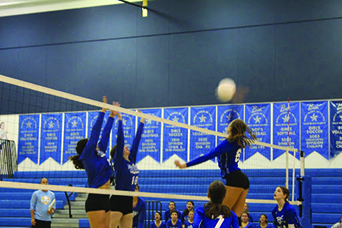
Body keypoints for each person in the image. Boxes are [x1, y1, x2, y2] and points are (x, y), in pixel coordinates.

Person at [175, 119, 256, 223]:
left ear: (231, 128)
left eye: (230, 125)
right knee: (236, 217)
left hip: (234, 179)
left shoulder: (228, 143)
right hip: (242, 180)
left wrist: (185, 165)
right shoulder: (237, 141)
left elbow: (208, 156)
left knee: (220, 214)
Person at [69, 96, 116, 228]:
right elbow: (95, 132)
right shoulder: (88, 156)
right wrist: (103, 111)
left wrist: (111, 117)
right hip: (95, 199)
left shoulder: (99, 151)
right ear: (86, 148)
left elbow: (105, 134)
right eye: (90, 142)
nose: (94, 142)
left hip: (106, 198)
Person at [109, 109, 145, 228]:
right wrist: (120, 120)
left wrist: (142, 120)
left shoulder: (132, 159)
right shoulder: (119, 162)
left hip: (128, 200)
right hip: (118, 199)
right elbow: (120, 139)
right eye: (124, 147)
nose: (127, 147)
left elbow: (137, 140)